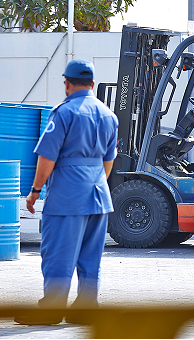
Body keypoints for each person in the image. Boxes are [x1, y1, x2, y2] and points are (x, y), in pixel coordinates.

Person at [15, 60, 118, 325]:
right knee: (90, 256)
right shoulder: (109, 115)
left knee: (58, 254)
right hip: (98, 195)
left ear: (66, 83)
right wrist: (95, 184)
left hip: (68, 196)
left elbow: (47, 158)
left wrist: (35, 191)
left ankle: (51, 310)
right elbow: (108, 161)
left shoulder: (63, 112)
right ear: (93, 85)